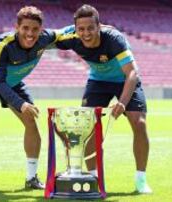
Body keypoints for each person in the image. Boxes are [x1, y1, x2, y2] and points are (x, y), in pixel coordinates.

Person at [0, 6, 71, 193]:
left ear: (41, 30)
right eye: (25, 28)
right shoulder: (2, 43)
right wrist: (21, 104)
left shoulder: (45, 38)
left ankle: (31, 178)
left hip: (12, 81)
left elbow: (68, 30)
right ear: (17, 27)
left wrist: (101, 26)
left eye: (34, 29)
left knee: (31, 120)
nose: (30, 34)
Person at [55, 4, 152, 194]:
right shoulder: (70, 36)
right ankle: (94, 178)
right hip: (98, 81)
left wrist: (122, 103)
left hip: (125, 80)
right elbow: (43, 38)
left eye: (90, 28)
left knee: (139, 123)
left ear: (99, 27)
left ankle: (141, 179)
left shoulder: (114, 39)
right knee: (88, 127)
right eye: (81, 29)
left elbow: (132, 73)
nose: (86, 33)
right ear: (75, 29)